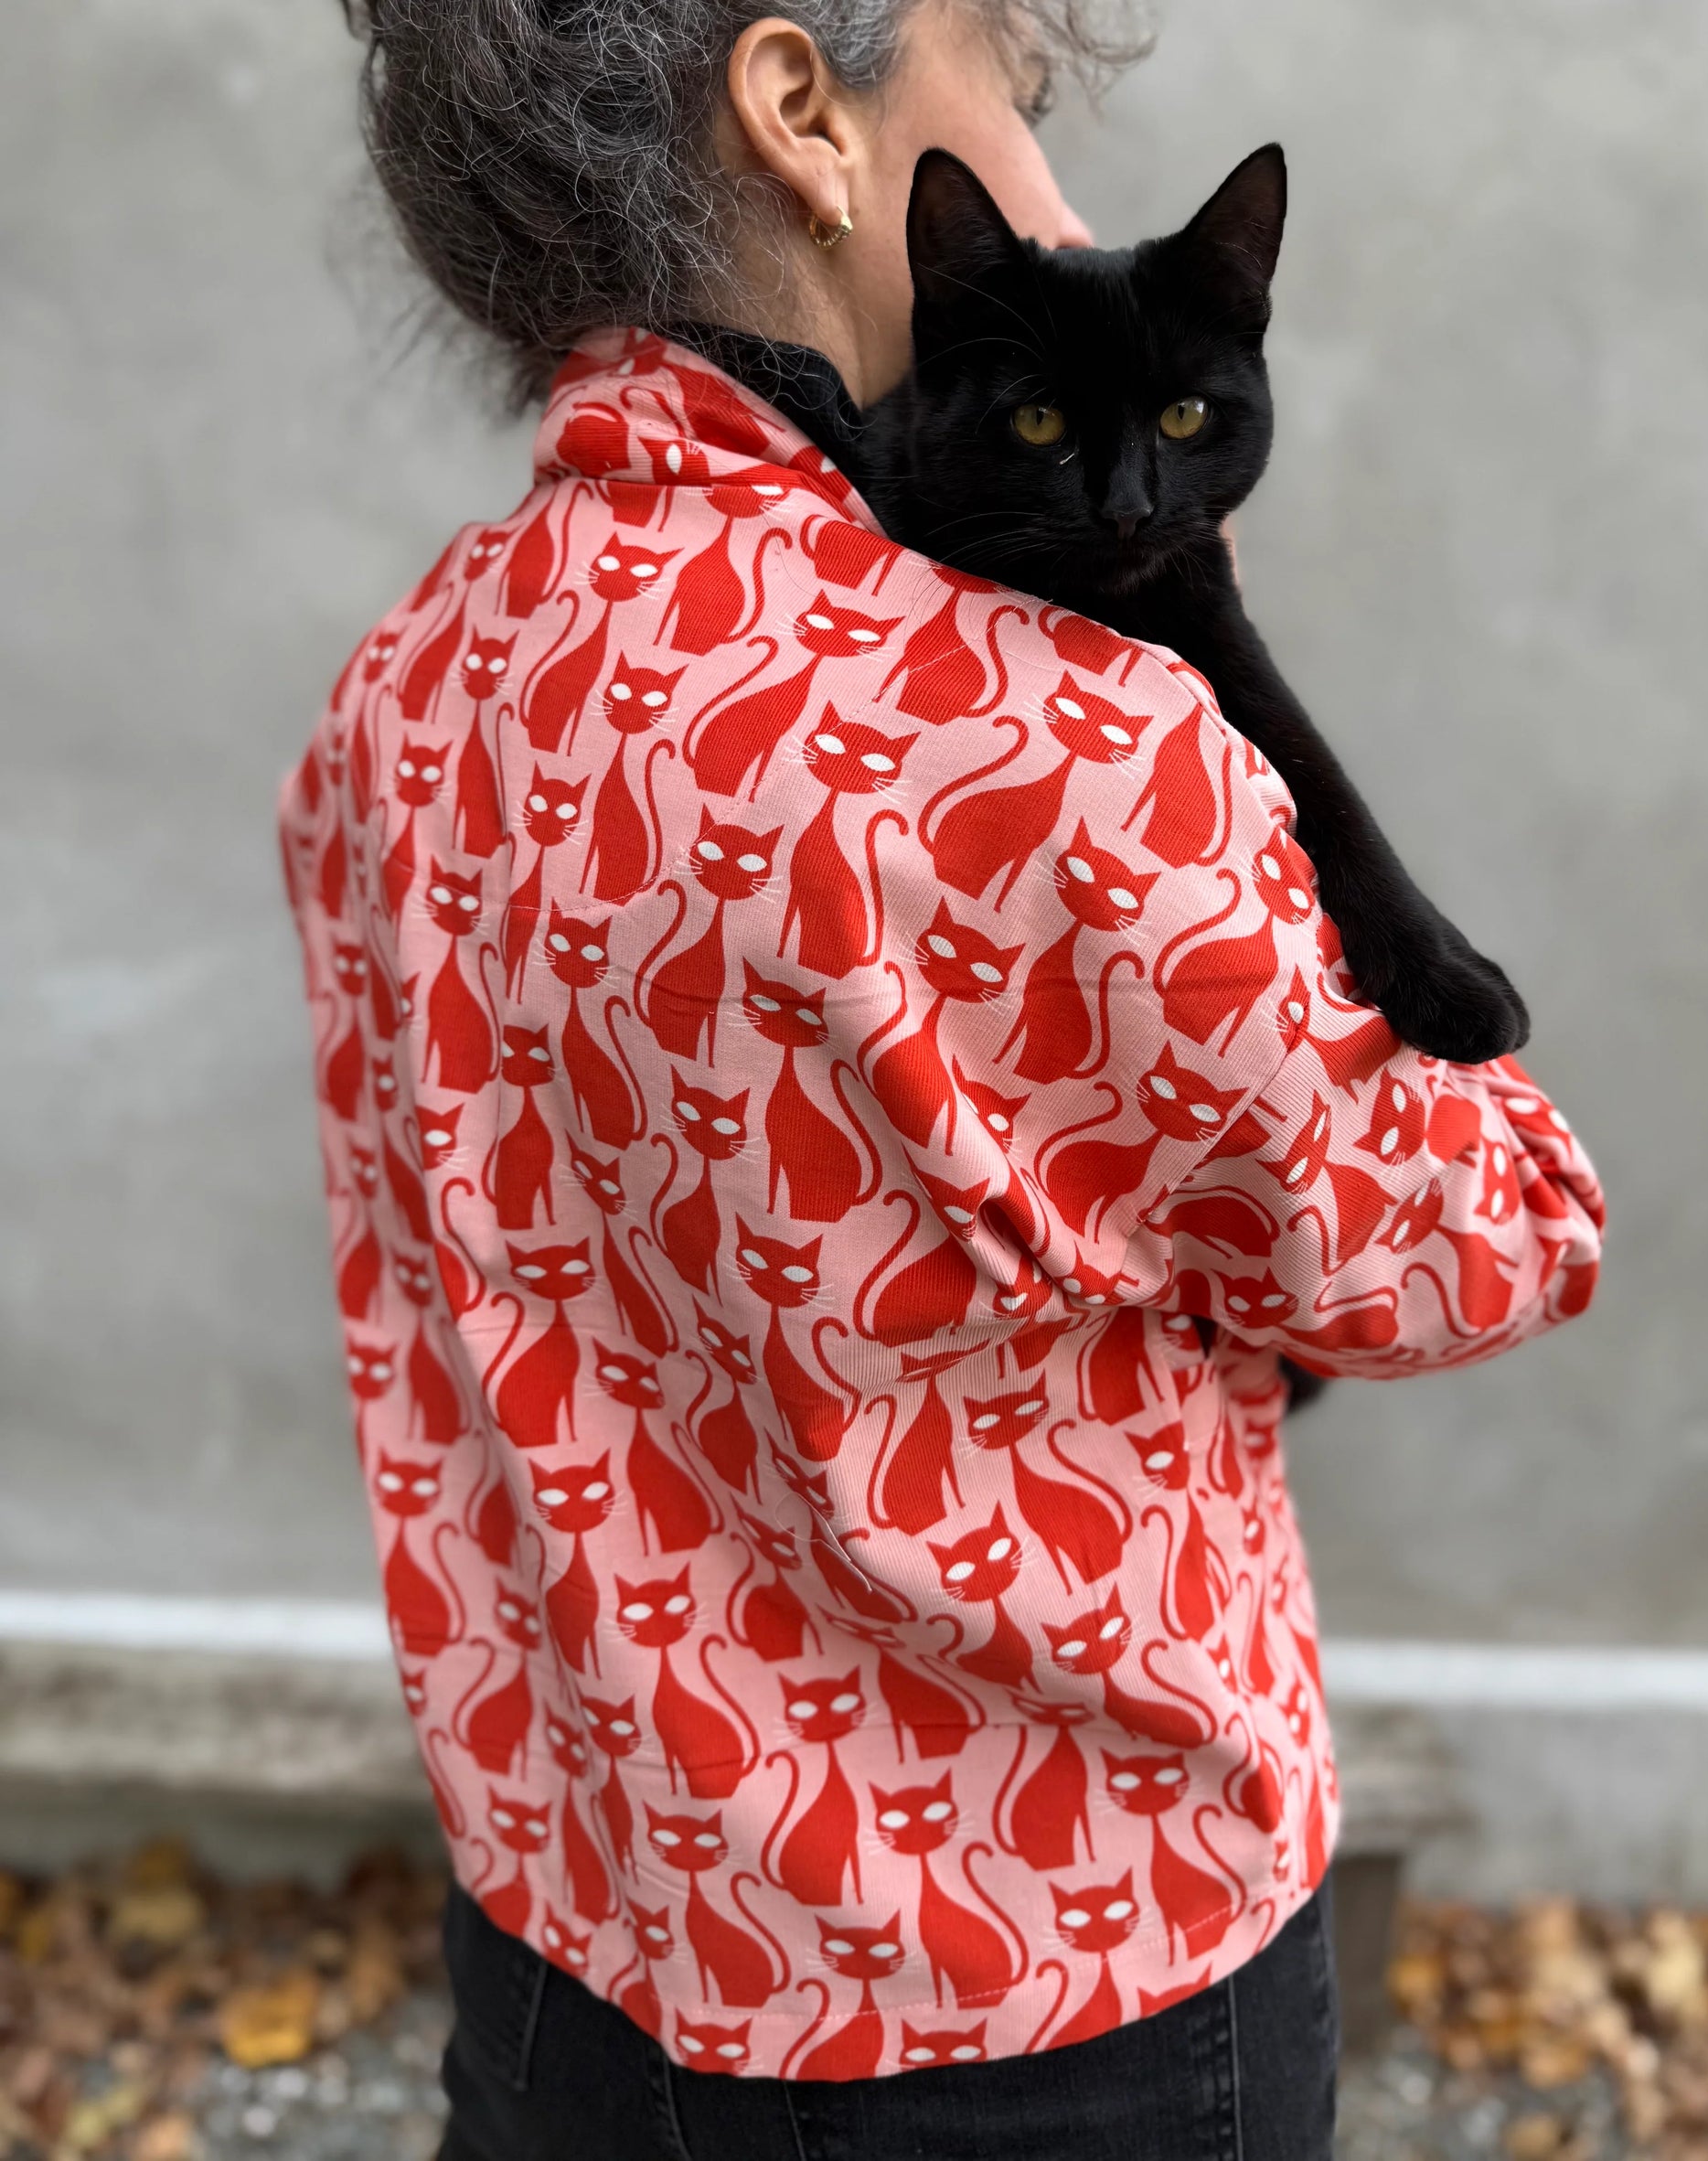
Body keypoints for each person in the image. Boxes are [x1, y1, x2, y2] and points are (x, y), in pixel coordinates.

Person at [283, 5, 1606, 2155]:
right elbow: (1474, 1242)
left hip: (570, 1951)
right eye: (1021, 85)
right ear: (809, 112)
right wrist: (1203, 659)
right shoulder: (1063, 737)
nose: (1055, 184)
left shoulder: (407, 699)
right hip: (1048, 1983)